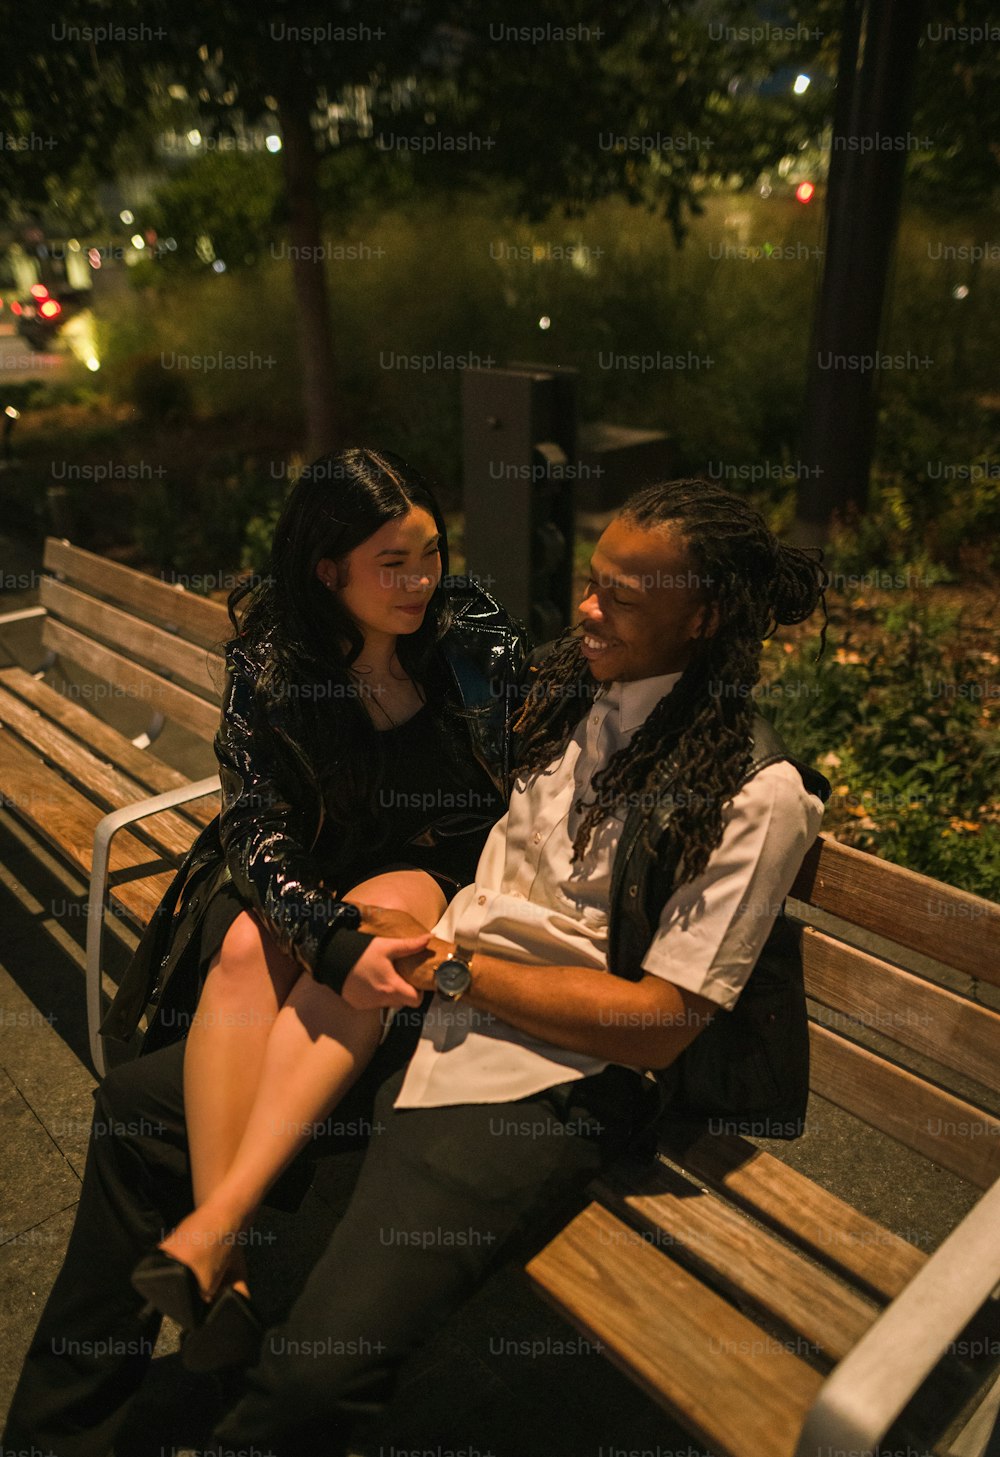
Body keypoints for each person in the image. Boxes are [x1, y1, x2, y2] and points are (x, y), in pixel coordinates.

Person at [3, 478, 829, 1457]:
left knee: (315, 1368)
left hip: (549, 1077)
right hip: (426, 1011)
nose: (587, 607)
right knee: (142, 1112)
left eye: (622, 596)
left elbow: (657, 1021)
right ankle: (55, 1436)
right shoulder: (571, 689)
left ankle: (252, 1332)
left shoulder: (754, 792)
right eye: (592, 582)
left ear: (705, 614)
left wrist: (448, 968)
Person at [2, 445, 525, 1448]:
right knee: (243, 947)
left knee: (141, 1102)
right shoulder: (274, 661)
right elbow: (256, 827)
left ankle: (210, 1250)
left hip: (423, 885)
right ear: (327, 569)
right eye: (392, 561)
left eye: (429, 552)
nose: (421, 579)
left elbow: (557, 719)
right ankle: (222, 1265)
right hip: (290, 886)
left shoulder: (468, 635)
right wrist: (318, 934)